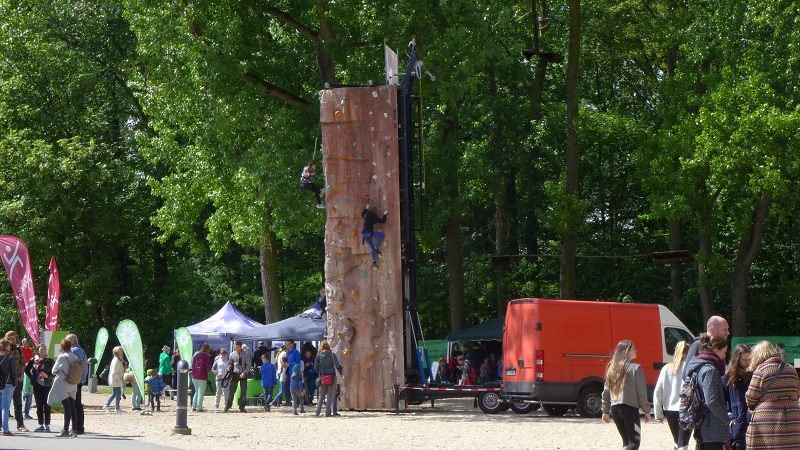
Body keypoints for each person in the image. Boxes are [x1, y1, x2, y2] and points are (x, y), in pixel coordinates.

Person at [745, 340, 800, 449]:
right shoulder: (791, 369)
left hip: (767, 421)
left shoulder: (761, 370)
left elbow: (750, 398)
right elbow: (797, 394)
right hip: (793, 419)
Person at [601, 340, 652, 450]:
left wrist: (605, 411)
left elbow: (606, 391)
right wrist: (646, 411)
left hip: (615, 409)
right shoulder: (636, 368)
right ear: (627, 351)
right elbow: (642, 392)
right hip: (630, 409)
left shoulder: (612, 368)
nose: (636, 350)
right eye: (634, 348)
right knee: (634, 443)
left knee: (626, 443)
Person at [684, 334, 730, 450]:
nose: (725, 356)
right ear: (715, 350)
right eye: (724, 352)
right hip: (712, 428)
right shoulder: (710, 370)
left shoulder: (699, 367)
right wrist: (726, 419)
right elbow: (711, 401)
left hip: (702, 424)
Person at [654, 340, 690, 449]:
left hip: (670, 409)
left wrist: (658, 413)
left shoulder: (666, 368)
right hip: (686, 408)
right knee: (683, 442)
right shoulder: (689, 368)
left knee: (676, 440)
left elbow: (658, 391)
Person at [722, 343, 752, 450]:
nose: (748, 363)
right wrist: (731, 419)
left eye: (750, 359)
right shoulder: (727, 379)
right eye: (744, 360)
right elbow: (722, 404)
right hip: (737, 429)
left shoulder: (755, 376)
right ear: (737, 359)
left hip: (754, 429)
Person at [47, 338, 79, 438]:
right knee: (72, 406)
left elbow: (53, 370)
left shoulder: (62, 357)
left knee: (66, 406)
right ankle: (74, 429)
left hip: (63, 383)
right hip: (73, 383)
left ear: (62, 347)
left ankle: (65, 429)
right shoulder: (75, 356)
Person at [25, 343, 54, 432]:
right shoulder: (33, 360)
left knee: (47, 405)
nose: (43, 350)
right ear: (38, 350)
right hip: (37, 385)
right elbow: (27, 370)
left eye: (45, 349)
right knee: (39, 406)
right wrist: (32, 377)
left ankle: (47, 425)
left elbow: (55, 373)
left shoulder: (50, 361)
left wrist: (47, 376)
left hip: (47, 385)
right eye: (41, 349)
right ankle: (40, 424)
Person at [5, 331, 27, 432]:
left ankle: (20, 424)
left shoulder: (19, 348)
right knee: (3, 403)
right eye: (12, 338)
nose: (14, 340)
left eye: (15, 338)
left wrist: (21, 376)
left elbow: (23, 363)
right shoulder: (3, 348)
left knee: (18, 403)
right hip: (4, 381)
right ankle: (1, 424)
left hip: (17, 379)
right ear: (7, 339)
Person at [66, 333, 88, 435]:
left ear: (72, 341)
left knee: (75, 404)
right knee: (77, 403)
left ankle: (78, 427)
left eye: (67, 341)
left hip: (76, 380)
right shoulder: (80, 350)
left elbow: (75, 366)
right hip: (79, 380)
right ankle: (79, 427)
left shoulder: (75, 351)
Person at [314, 340, 342, 417]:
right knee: (330, 395)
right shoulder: (332, 355)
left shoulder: (318, 356)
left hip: (322, 377)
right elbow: (337, 365)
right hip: (331, 377)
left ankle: (317, 412)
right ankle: (327, 412)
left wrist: (320, 373)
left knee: (321, 395)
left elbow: (316, 367)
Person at [225, 341, 252, 413]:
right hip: (235, 374)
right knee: (232, 391)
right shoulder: (232, 355)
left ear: (240, 346)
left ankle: (242, 407)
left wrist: (245, 373)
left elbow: (249, 365)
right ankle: (227, 406)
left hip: (243, 374)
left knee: (243, 392)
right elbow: (230, 363)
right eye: (235, 347)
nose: (236, 349)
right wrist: (229, 367)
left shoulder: (246, 355)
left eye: (237, 347)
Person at [0, 338, 18, 436]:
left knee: (0, 406)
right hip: (7, 384)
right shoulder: (10, 357)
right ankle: (5, 429)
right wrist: (15, 383)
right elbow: (14, 372)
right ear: (7, 346)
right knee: (5, 408)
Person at [103, 346, 126, 413]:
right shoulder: (116, 360)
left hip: (116, 379)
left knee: (114, 394)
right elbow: (114, 372)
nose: (122, 352)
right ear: (117, 352)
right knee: (117, 393)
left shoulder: (118, 359)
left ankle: (106, 405)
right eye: (121, 350)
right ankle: (117, 408)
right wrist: (118, 378)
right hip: (116, 379)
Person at [191, 344, 212, 412]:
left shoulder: (196, 355)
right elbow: (208, 369)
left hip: (194, 376)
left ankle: (193, 406)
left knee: (196, 392)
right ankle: (199, 407)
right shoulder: (206, 357)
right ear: (208, 350)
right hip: (202, 377)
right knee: (201, 393)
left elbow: (192, 365)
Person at [282, 340, 300, 406]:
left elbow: (298, 362)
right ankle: (288, 401)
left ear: (292, 344)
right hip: (288, 371)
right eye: (286, 344)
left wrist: (289, 364)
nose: (287, 345)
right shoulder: (287, 352)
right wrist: (284, 364)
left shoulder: (296, 352)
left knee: (295, 387)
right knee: (286, 385)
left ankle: (297, 402)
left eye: (289, 344)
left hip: (294, 371)